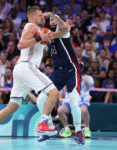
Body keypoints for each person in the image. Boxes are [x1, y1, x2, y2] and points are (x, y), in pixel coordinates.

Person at [0, 6, 67, 145]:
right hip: (27, 66)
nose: (42, 18)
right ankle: (44, 123)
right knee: (53, 92)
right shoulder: (31, 26)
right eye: (39, 16)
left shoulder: (40, 29)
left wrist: (52, 16)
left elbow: (63, 31)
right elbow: (20, 45)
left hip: (22, 69)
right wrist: (39, 38)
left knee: (12, 107)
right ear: (33, 17)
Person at [36, 13, 84, 144]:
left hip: (71, 71)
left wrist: (51, 14)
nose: (52, 21)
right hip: (57, 72)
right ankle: (50, 129)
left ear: (58, 20)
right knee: (40, 100)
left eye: (54, 19)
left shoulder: (64, 32)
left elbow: (63, 26)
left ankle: (79, 132)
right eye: (50, 20)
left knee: (74, 103)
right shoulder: (49, 37)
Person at [57, 61, 94, 138]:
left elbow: (90, 83)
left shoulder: (88, 77)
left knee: (84, 110)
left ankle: (87, 129)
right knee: (60, 110)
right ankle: (67, 130)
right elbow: (63, 90)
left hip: (81, 100)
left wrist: (79, 74)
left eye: (80, 66)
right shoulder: (68, 77)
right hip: (69, 100)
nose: (78, 66)